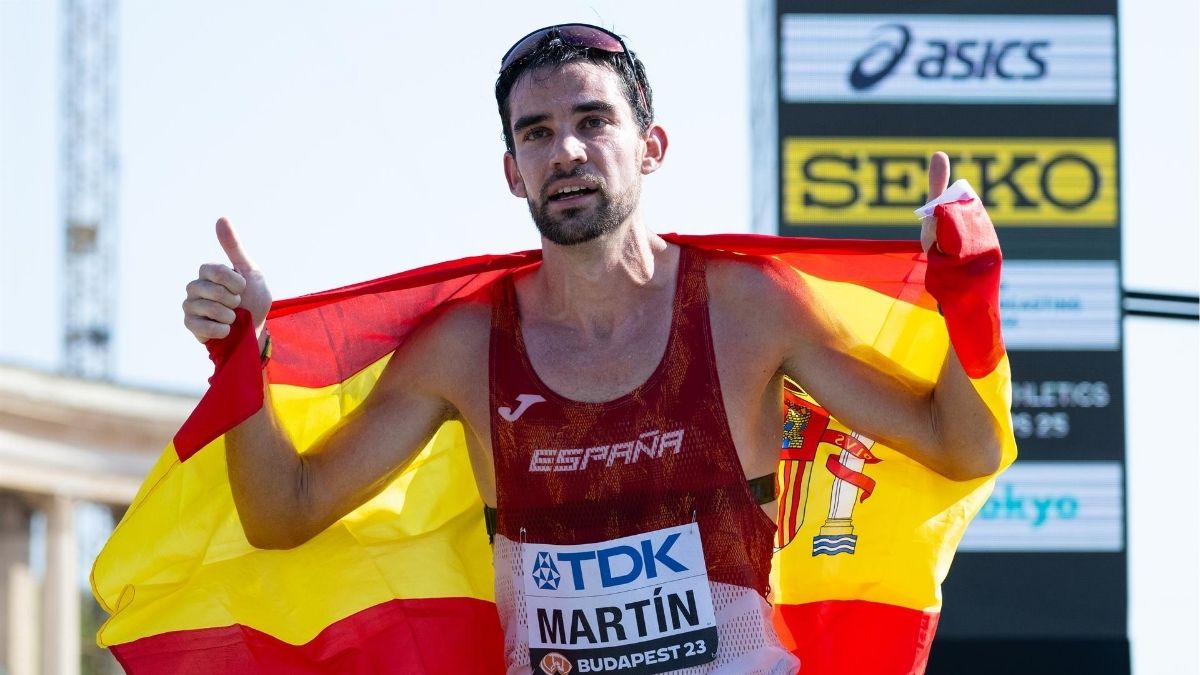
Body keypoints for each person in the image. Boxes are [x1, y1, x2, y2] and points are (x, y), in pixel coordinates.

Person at [181, 23, 1002, 675]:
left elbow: (961, 447)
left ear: (651, 146)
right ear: (513, 170)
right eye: (536, 133)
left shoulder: (746, 308)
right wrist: (242, 359)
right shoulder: (464, 347)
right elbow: (283, 514)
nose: (565, 151)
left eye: (592, 121)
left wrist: (969, 298)